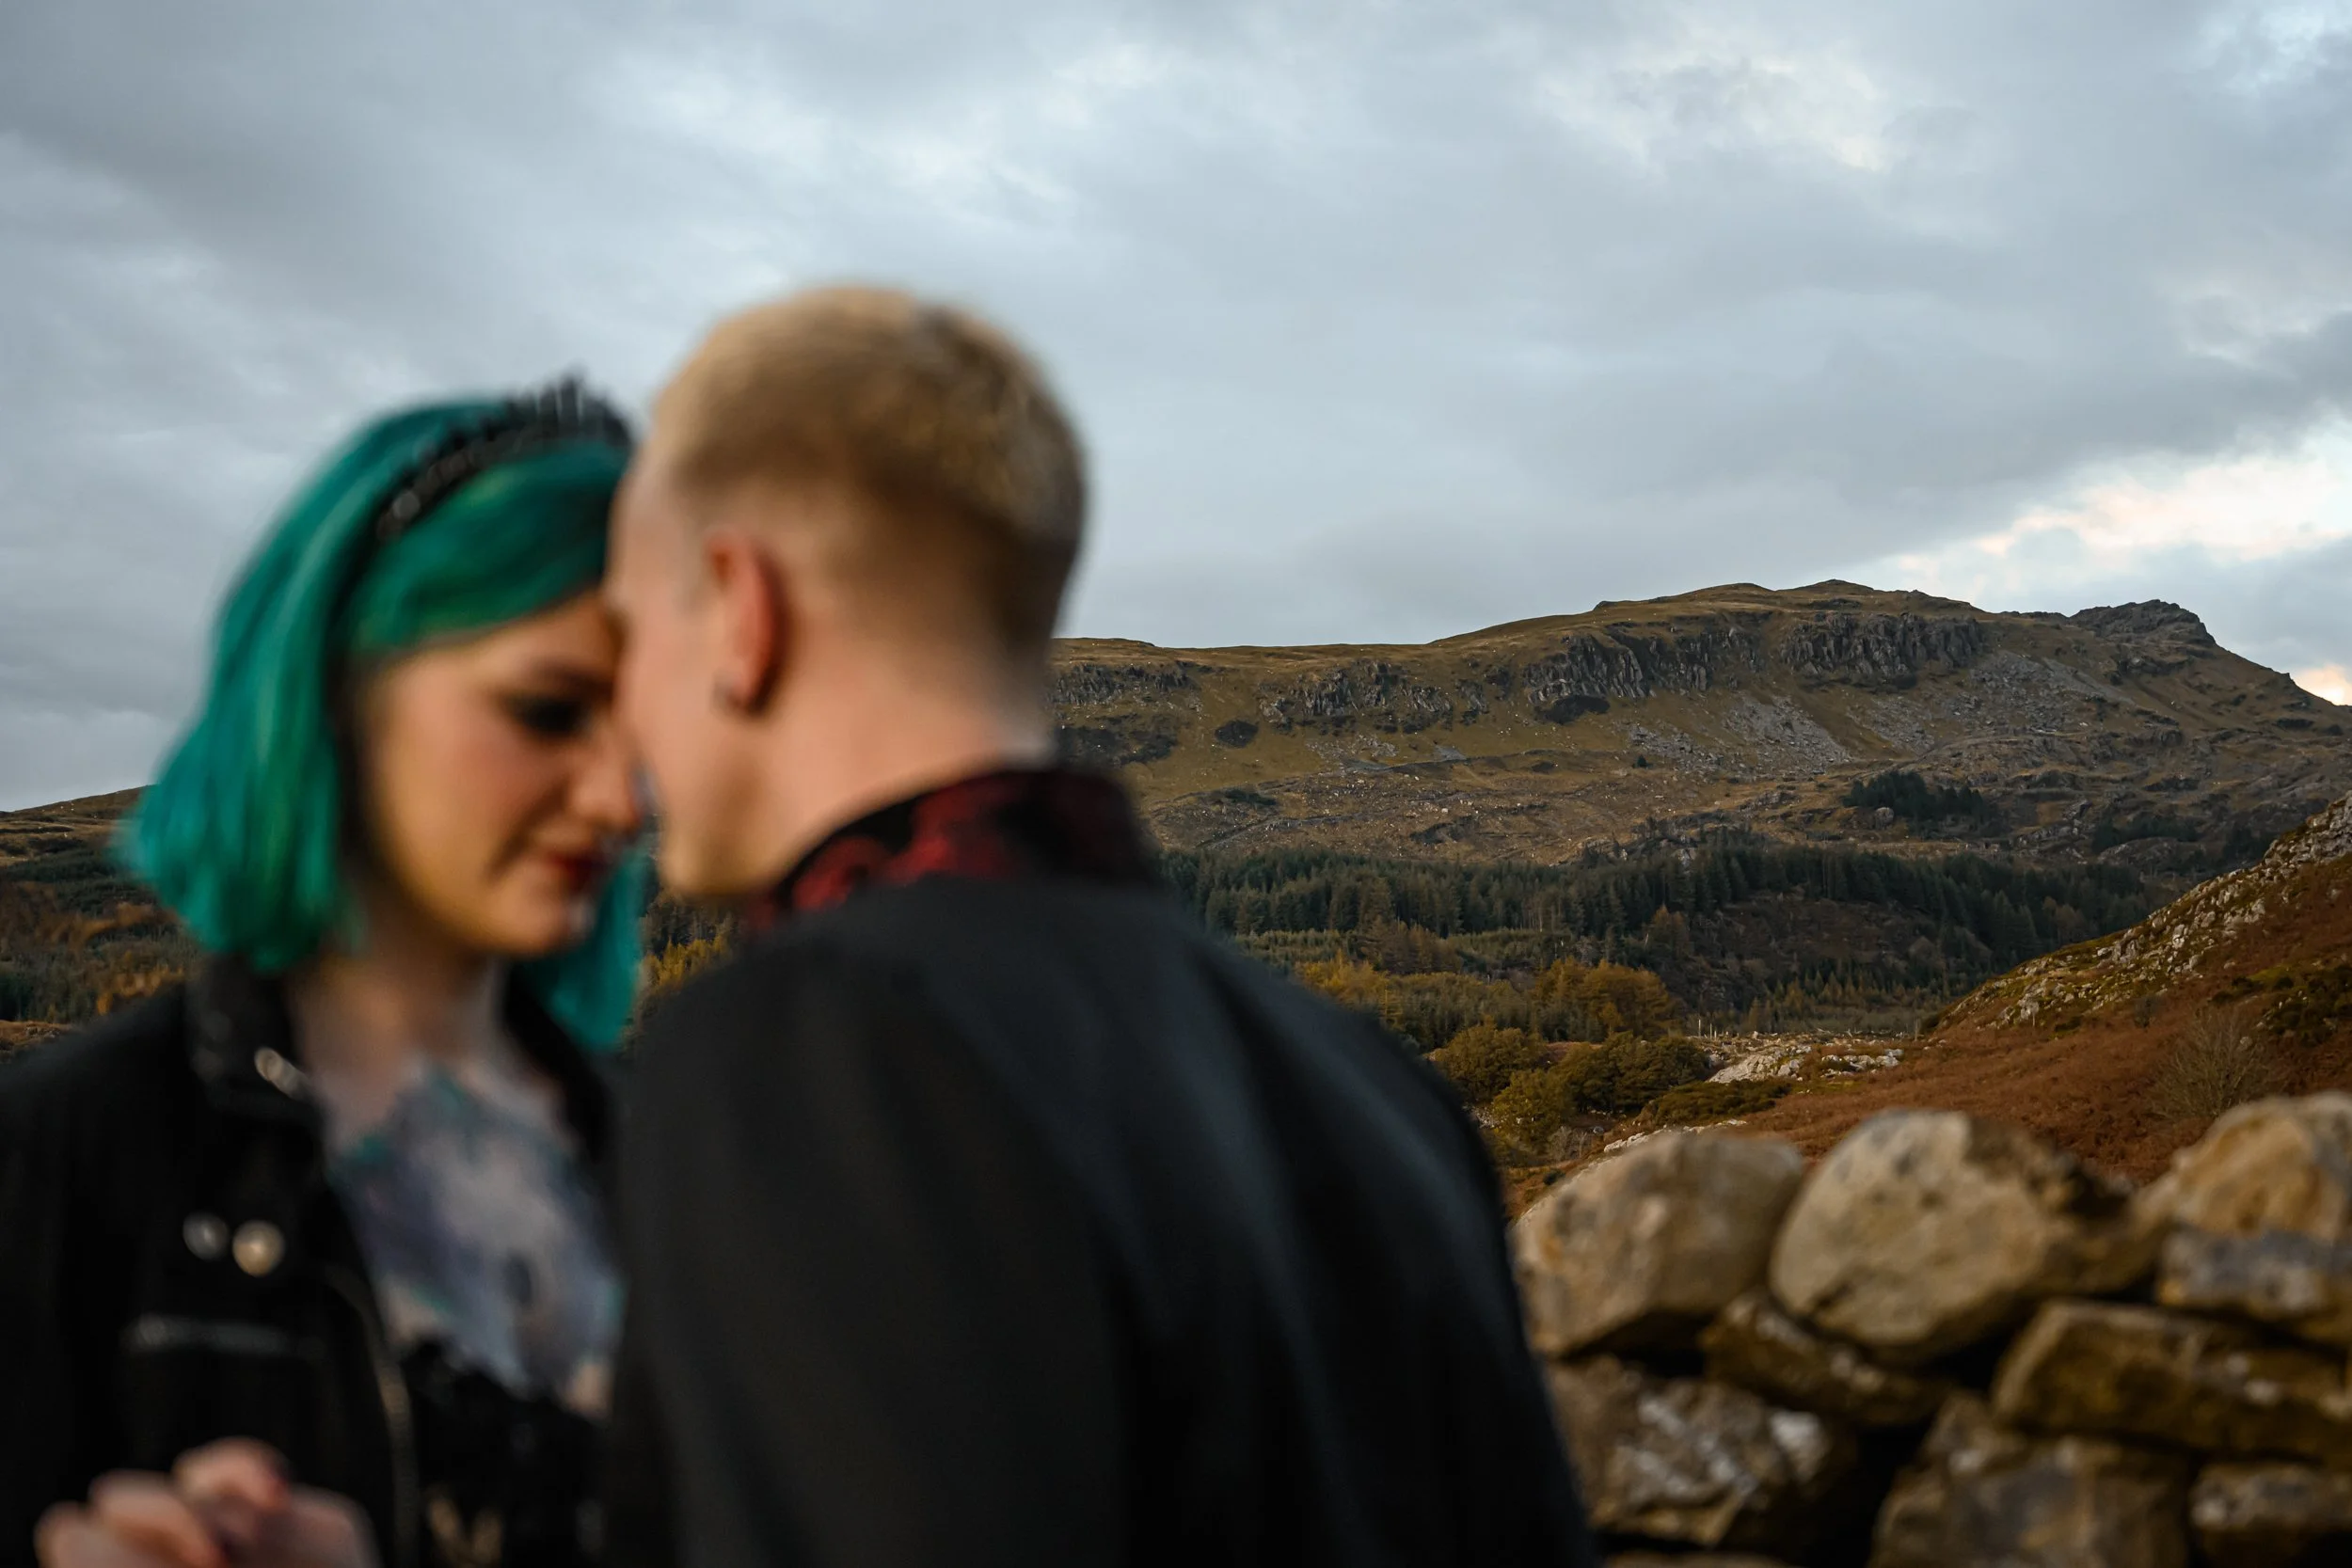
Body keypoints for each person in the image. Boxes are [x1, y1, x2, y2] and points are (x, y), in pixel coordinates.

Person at [602, 287, 1597, 1566]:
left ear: (740, 606)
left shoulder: (811, 1048)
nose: (619, 724)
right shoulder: (1380, 1092)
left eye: (630, 630)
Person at [1, 381, 648, 1568]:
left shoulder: (676, 1161)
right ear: (339, 696)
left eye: (644, 726)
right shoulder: (65, 1155)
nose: (623, 795)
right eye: (548, 709)